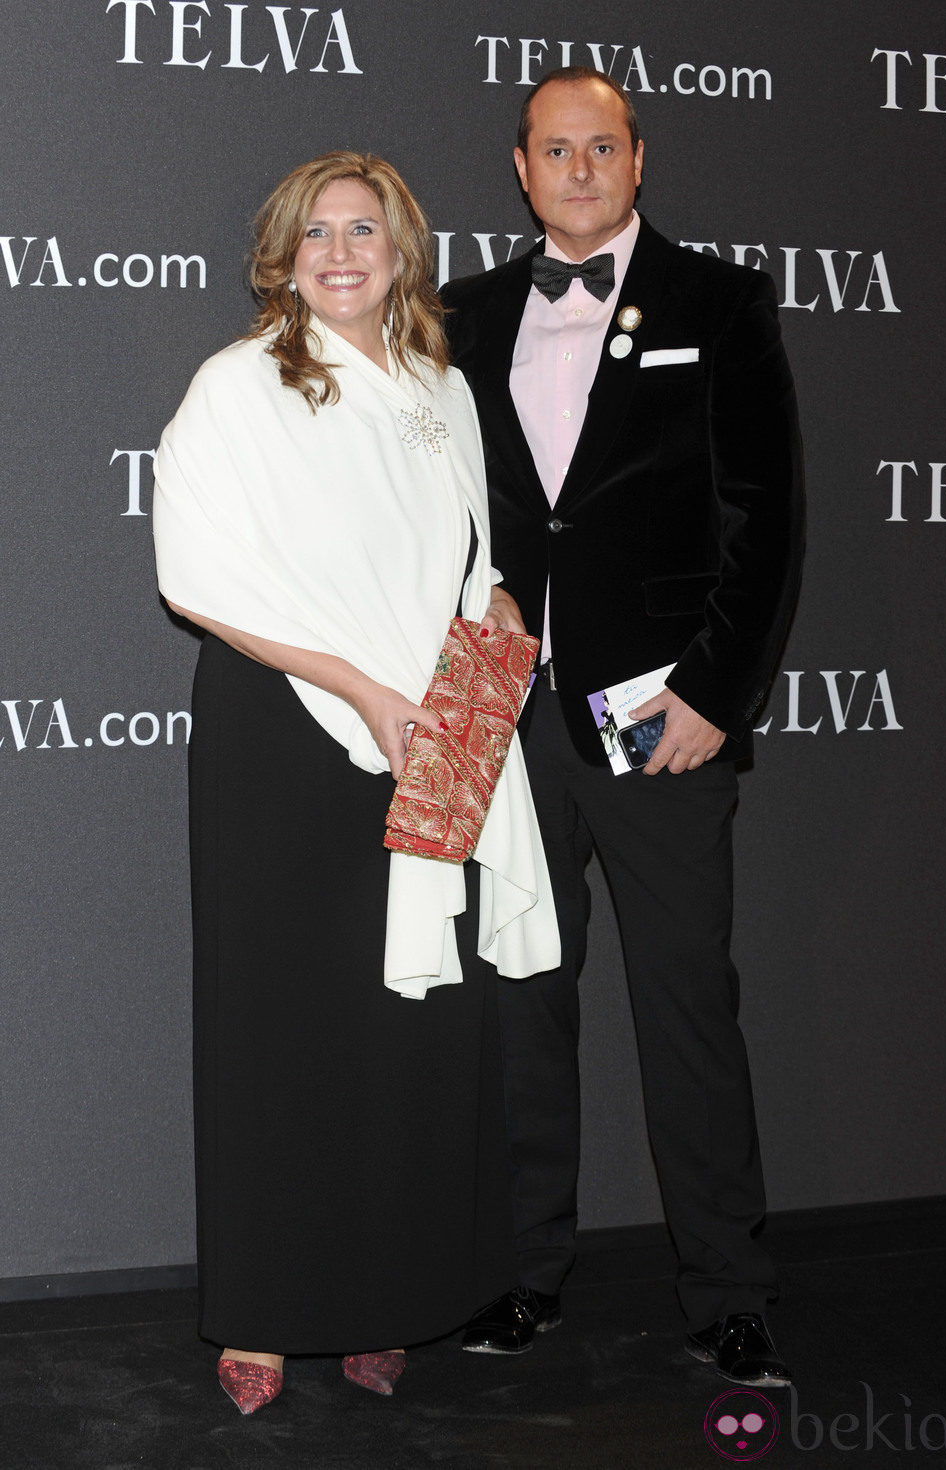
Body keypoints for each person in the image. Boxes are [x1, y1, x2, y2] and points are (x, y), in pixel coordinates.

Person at [152, 151, 559, 1415]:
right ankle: (269, 1313)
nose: (341, 250)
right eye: (315, 231)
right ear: (282, 254)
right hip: (285, 732)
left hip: (426, 732)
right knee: (282, 1034)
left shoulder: (440, 386)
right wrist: (362, 688)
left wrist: (495, 638)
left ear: (402, 252)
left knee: (407, 1032)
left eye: (364, 230)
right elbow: (194, 578)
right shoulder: (238, 385)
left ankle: (387, 1297)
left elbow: (475, 562)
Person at [441, 68, 805, 1387]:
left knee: (686, 1005)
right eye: (556, 149)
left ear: (638, 161)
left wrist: (713, 690)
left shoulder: (719, 301)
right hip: (496, 706)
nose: (581, 168)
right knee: (514, 1006)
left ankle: (727, 1292)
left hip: (660, 717)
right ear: (522, 169)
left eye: (604, 146)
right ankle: (516, 1272)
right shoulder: (460, 313)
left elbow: (765, 517)